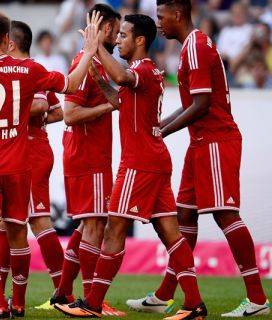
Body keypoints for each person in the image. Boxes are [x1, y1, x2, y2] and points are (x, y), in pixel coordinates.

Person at [0, 11, 100, 319]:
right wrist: (91, 52)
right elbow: (71, 84)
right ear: (6, 39)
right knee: (17, 233)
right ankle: (18, 302)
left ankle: (0, 304)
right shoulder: (29, 69)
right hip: (18, 165)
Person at [55, 13, 207, 320]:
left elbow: (123, 79)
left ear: (139, 40)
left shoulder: (142, 69)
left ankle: (93, 302)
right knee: (170, 234)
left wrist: (94, 47)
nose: (119, 41)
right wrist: (98, 77)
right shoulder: (145, 72)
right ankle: (194, 304)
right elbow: (119, 98)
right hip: (153, 160)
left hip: (139, 164)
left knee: (113, 229)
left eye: (123, 36)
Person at [126, 0, 271, 317]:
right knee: (185, 216)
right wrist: (160, 126)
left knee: (225, 215)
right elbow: (194, 103)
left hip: (216, 141)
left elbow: (202, 105)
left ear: (178, 15)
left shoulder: (196, 47)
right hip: (200, 142)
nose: (159, 23)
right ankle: (165, 295)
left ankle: (258, 299)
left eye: (162, 17)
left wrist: (162, 132)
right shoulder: (193, 45)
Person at [0, 20, 65, 310]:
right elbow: (57, 112)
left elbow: (44, 105)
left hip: (29, 152)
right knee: (6, 225)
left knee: (36, 220)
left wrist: (9, 109)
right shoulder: (15, 72)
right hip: (19, 150)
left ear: (11, 43)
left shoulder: (27, 69)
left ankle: (62, 291)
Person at [50, 4, 126, 316]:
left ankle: (62, 293)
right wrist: (110, 107)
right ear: (105, 29)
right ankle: (91, 300)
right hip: (87, 156)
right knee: (95, 225)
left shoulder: (94, 61)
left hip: (90, 155)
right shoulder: (86, 61)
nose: (119, 39)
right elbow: (70, 114)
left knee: (86, 227)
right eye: (117, 31)